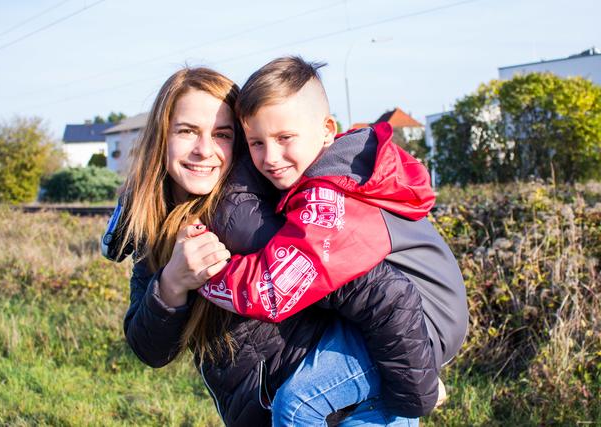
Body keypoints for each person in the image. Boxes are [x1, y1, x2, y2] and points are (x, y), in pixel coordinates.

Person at [112, 66, 439, 426]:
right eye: (188, 131)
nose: (204, 150)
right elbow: (150, 349)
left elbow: (376, 289)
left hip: (337, 410)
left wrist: (416, 389)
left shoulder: (246, 213)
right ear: (162, 137)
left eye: (222, 134)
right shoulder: (157, 218)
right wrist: (172, 284)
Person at [198, 56, 469, 424]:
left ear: (327, 129)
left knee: (295, 404)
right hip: (404, 319)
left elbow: (276, 286)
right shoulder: (335, 167)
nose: (270, 157)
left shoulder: (334, 197)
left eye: (284, 138)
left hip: (423, 320)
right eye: (256, 143)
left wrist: (203, 272)